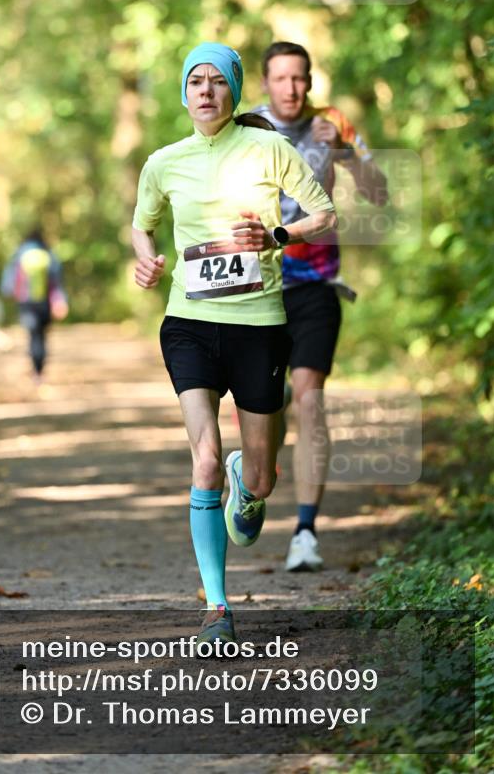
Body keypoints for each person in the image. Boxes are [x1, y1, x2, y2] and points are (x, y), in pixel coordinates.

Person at [131, 42, 336, 644]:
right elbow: (141, 225)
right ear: (183, 92)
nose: (205, 91)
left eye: (217, 81)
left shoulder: (270, 147)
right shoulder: (163, 162)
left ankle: (255, 475)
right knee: (204, 459)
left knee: (263, 482)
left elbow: (323, 213)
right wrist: (145, 262)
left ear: (234, 90)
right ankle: (217, 609)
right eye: (195, 81)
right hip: (188, 324)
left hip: (259, 326)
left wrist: (276, 234)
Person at [248, 41, 388, 572]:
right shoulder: (244, 126)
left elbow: (378, 193)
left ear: (310, 80)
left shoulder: (333, 123)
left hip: (316, 285)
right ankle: (254, 481)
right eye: (281, 79)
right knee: (265, 405)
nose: (291, 89)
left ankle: (305, 531)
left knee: (310, 399)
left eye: (300, 78)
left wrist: (347, 155)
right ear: (265, 83)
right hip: (256, 287)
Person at [0, 228, 68, 380]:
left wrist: (9, 293)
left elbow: (8, 281)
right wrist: (60, 301)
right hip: (44, 304)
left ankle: (35, 372)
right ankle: (40, 369)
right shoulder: (48, 254)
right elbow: (56, 283)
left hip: (26, 303)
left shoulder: (19, 254)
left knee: (33, 336)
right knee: (42, 336)